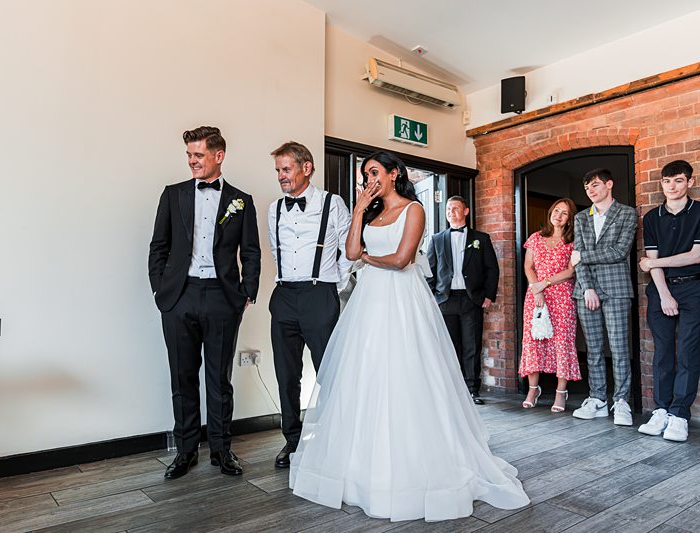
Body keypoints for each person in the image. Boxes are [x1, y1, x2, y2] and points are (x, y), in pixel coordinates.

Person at [289, 151, 529, 522]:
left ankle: (416, 464)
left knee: (407, 371)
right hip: (369, 302)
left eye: (373, 172)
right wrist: (357, 213)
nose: (368, 179)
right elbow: (351, 251)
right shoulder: (369, 213)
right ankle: (360, 465)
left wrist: (368, 259)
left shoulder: (414, 209)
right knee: (366, 373)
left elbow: (401, 259)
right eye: (364, 175)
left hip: (402, 300)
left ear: (393, 173)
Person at [148, 126, 261, 479]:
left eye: (198, 155)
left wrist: (247, 292)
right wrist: (161, 293)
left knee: (219, 379)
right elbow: (158, 248)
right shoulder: (173, 194)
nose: (192, 161)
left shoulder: (242, 200)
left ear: (218, 156)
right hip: (179, 297)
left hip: (222, 298)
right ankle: (184, 452)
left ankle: (222, 451)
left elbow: (252, 251)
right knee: (182, 379)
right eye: (189, 155)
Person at [267, 141, 352, 469]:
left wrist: (332, 283)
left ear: (307, 167)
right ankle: (292, 439)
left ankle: (335, 438)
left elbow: (349, 250)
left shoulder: (333, 203)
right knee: (286, 373)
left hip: (320, 295)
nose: (281, 176)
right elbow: (276, 251)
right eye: (278, 171)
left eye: (286, 169)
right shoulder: (274, 208)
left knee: (328, 370)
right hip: (284, 297)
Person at [638, 160, 700, 442]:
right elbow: (652, 262)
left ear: (690, 182)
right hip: (661, 289)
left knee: (688, 352)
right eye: (666, 181)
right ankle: (661, 410)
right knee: (662, 353)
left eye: (677, 180)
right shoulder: (651, 218)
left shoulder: (699, 212)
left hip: (693, 288)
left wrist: (652, 265)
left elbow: (695, 256)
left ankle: (679, 415)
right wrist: (664, 294)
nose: (671, 187)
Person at [570, 168, 637, 425]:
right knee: (594, 350)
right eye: (587, 187)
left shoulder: (627, 213)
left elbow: (619, 251)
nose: (591, 190)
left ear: (609, 184)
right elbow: (578, 253)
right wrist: (587, 287)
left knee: (619, 349)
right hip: (585, 291)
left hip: (617, 289)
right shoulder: (581, 218)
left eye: (595, 185)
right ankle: (597, 399)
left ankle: (621, 402)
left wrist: (583, 257)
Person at [427, 196, 499, 404]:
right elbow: (430, 270)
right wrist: (433, 296)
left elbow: (492, 269)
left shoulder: (481, 239)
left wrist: (488, 295)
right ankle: (451, 390)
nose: (451, 212)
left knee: (471, 346)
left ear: (466, 211)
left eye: (456, 208)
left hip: (471, 300)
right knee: (449, 346)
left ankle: (471, 390)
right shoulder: (437, 239)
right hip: (446, 300)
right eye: (449, 209)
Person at [519, 198, 580, 412]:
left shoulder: (573, 241)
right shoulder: (536, 238)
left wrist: (544, 284)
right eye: (556, 210)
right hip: (535, 295)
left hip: (562, 295)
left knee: (562, 341)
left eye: (564, 213)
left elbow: (571, 271)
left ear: (569, 219)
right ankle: (533, 389)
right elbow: (528, 266)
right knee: (533, 340)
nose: (558, 215)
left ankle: (561, 392)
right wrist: (537, 289)